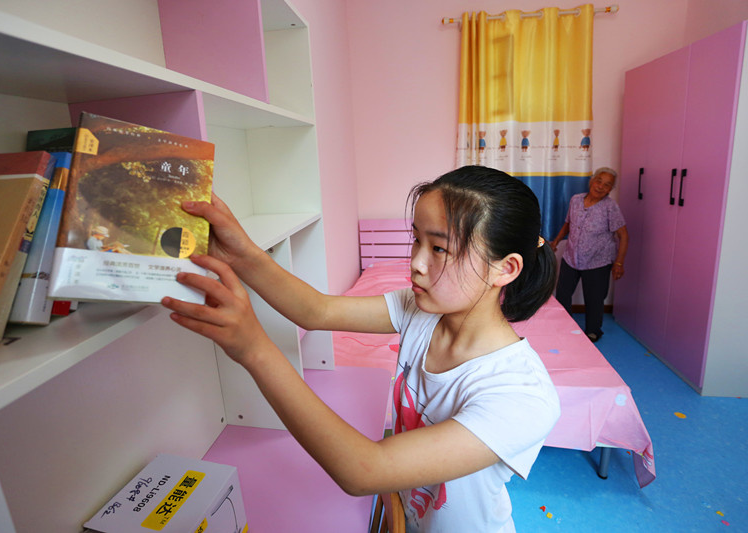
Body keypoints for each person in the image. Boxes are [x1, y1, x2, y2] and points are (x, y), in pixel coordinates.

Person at [161, 166, 561, 532]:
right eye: (416, 241)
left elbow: (364, 470)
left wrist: (254, 350)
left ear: (504, 269)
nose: (416, 264)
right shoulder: (419, 311)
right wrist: (242, 253)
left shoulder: (522, 396)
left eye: (439, 249)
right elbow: (316, 310)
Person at [550, 167, 628, 343]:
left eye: (607, 185)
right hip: (571, 257)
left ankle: (593, 330)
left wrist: (619, 263)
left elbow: (623, 235)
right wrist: (556, 241)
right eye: (599, 181)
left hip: (598, 260)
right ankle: (564, 325)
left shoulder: (610, 207)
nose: (600, 186)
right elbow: (568, 223)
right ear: (592, 181)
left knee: (594, 298)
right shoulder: (576, 200)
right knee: (562, 294)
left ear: (610, 190)